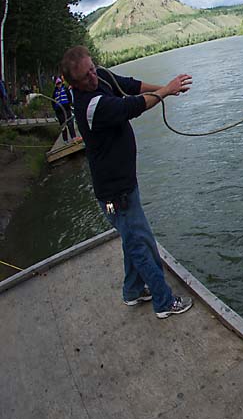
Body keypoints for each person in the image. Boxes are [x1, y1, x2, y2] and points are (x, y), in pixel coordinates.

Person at [60, 46, 194, 319]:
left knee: (131, 238)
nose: (93, 77)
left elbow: (130, 86)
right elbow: (132, 106)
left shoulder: (100, 75)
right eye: (86, 77)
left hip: (123, 187)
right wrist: (166, 91)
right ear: (74, 84)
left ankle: (132, 291)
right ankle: (164, 302)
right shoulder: (91, 106)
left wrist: (167, 88)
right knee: (141, 244)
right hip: (115, 194)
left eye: (92, 69)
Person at [51, 76, 76, 141]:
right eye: (57, 84)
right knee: (63, 126)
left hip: (67, 109)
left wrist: (69, 104)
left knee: (70, 124)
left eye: (59, 83)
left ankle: (73, 137)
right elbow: (53, 101)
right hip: (59, 112)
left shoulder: (65, 89)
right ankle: (65, 140)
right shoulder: (54, 92)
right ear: (56, 85)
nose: (59, 85)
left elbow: (70, 97)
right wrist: (55, 109)